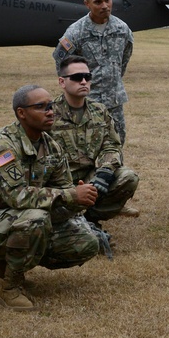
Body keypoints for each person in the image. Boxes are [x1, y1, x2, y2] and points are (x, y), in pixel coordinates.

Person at [0, 85, 102, 311]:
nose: (50, 111)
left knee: (86, 241)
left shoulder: (52, 146)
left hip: (19, 220)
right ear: (21, 113)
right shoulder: (2, 145)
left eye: (51, 106)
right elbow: (17, 196)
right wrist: (69, 195)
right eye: (41, 107)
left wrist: (79, 199)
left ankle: (7, 261)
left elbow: (63, 190)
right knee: (35, 218)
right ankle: (10, 287)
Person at [50, 54, 139, 227]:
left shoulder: (99, 111)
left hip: (90, 177)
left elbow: (111, 145)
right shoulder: (48, 114)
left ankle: (90, 220)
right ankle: (67, 222)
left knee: (128, 177)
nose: (83, 81)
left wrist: (105, 172)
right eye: (76, 78)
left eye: (87, 77)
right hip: (58, 183)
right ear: (62, 82)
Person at [53, 0, 134, 144]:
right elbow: (61, 61)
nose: (104, 5)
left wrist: (114, 81)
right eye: (98, 2)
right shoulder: (76, 32)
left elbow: (124, 60)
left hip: (114, 102)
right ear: (87, 3)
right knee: (85, 147)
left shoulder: (122, 29)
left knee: (116, 144)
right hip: (86, 102)